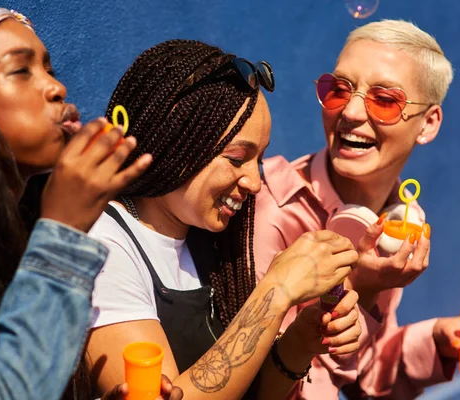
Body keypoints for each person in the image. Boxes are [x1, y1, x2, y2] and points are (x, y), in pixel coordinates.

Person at [84, 39, 363, 399]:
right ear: (176, 140)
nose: (254, 182)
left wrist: (298, 342)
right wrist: (275, 292)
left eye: (258, 160)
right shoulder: (104, 245)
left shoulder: (207, 239)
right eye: (236, 157)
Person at [253, 19, 460, 399]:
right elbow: (278, 387)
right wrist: (360, 289)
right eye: (339, 89)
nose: (350, 112)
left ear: (428, 123)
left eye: (384, 100)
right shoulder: (274, 210)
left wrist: (436, 339)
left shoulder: (398, 217)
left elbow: (364, 377)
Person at [0, 1, 169, 399]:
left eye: (49, 69)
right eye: (20, 70)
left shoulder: (14, 237)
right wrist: (63, 234)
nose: (56, 87)